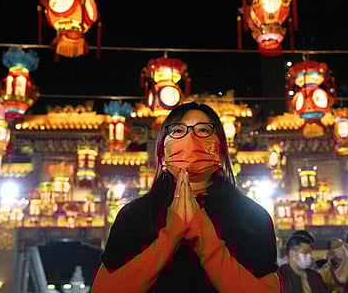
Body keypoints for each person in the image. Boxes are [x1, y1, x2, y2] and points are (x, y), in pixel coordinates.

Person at [92, 102, 280, 292]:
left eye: (203, 130)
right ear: (162, 151)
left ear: (220, 147)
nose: (190, 138)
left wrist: (203, 236)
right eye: (178, 130)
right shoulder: (135, 215)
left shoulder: (252, 217)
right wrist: (170, 236)